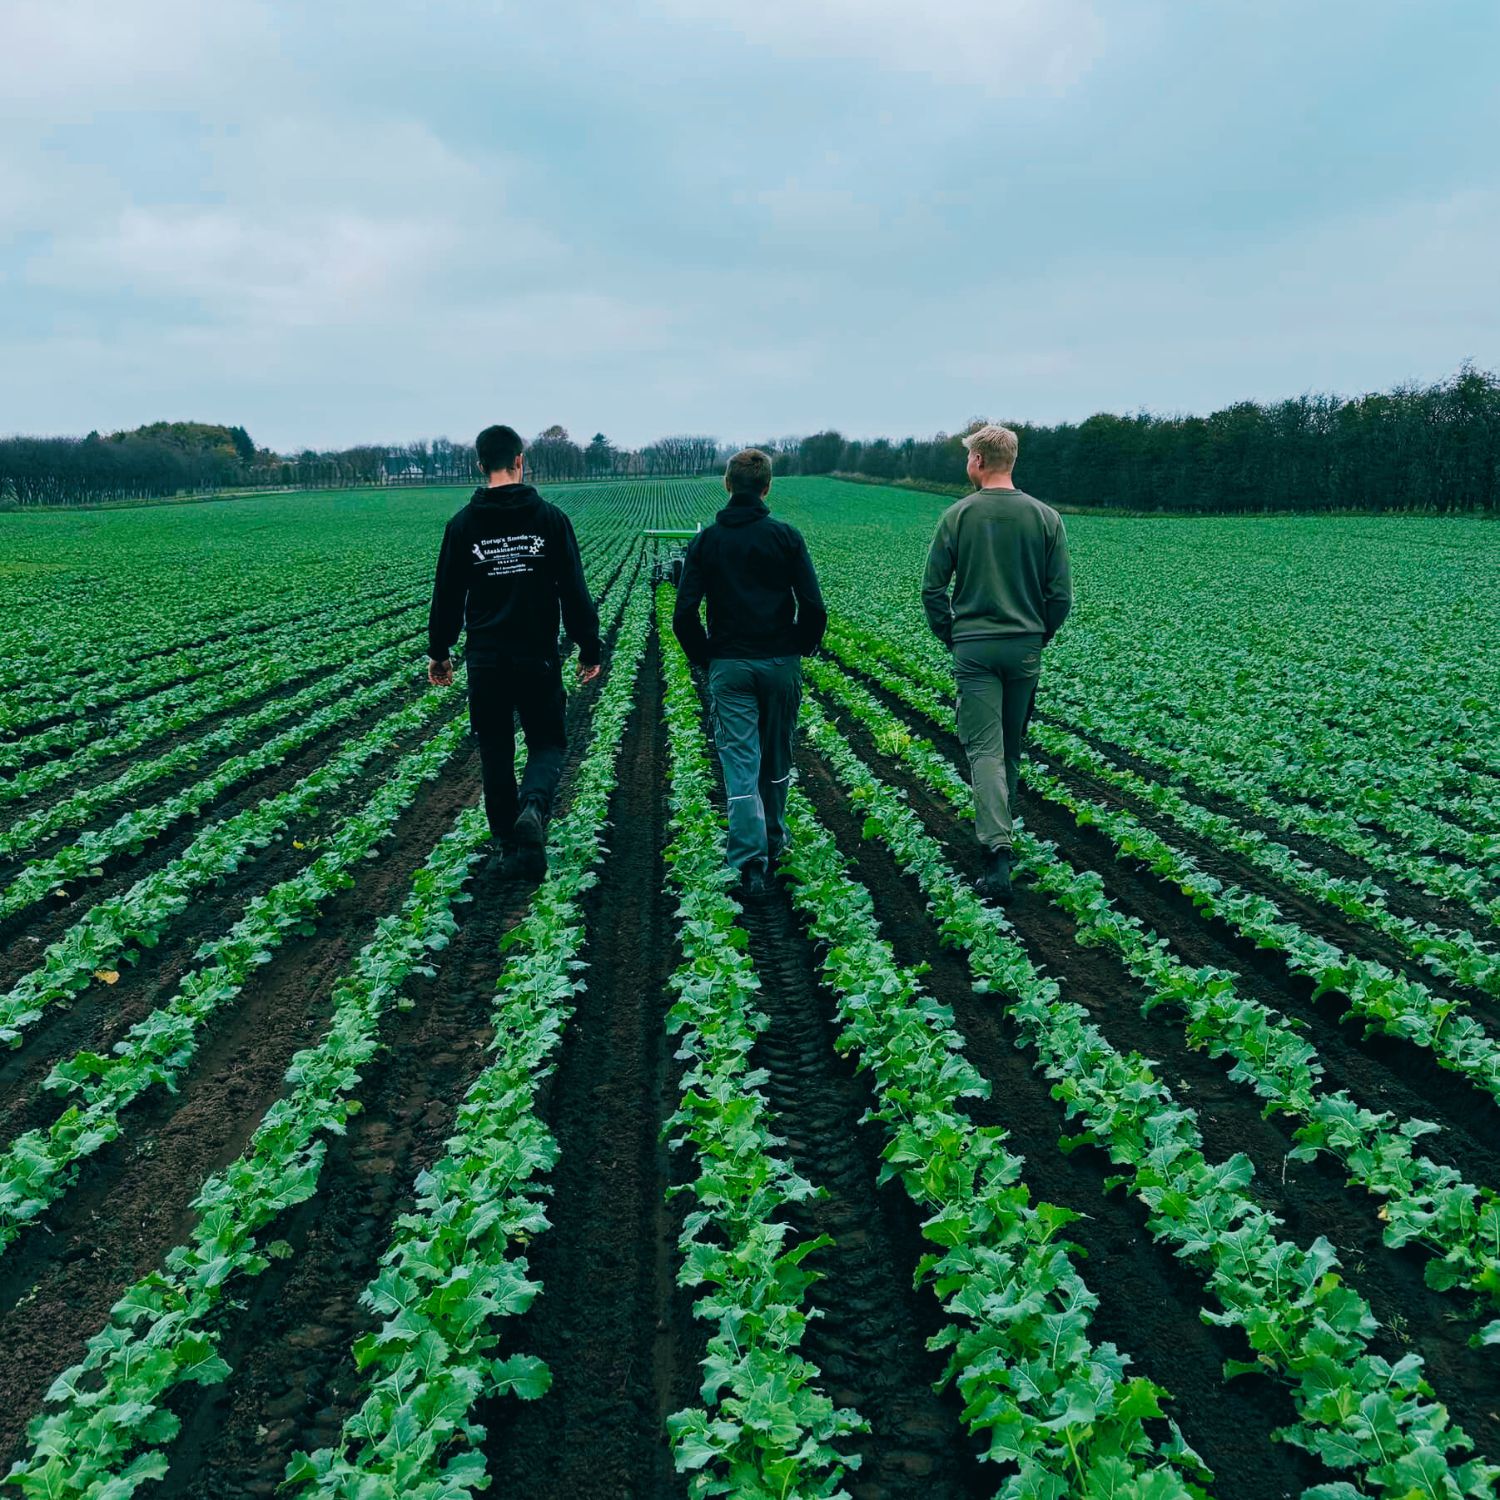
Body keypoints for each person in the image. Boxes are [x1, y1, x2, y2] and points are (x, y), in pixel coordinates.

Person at [428, 424, 602, 880]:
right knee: (548, 740)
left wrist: (440, 651)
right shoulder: (550, 519)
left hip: (486, 659)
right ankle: (534, 809)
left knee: (495, 749)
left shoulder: (462, 525)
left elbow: (446, 594)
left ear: (480, 465)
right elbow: (574, 590)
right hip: (537, 656)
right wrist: (588, 645)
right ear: (520, 461)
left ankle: (510, 847)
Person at [921, 424, 1072, 901]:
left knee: (983, 749)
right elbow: (1060, 595)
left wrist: (952, 635)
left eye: (968, 458)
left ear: (980, 462)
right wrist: (1038, 634)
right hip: (1024, 646)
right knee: (1008, 745)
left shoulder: (958, 516)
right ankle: (1003, 828)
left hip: (975, 647)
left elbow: (932, 589)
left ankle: (997, 853)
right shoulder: (1046, 517)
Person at [673, 448, 828, 898]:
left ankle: (748, 861)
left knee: (740, 761)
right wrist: (798, 646)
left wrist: (706, 657)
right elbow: (813, 606)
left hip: (730, 664)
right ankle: (774, 840)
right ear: (767, 486)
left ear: (727, 485)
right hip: (780, 663)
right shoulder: (786, 537)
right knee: (777, 755)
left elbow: (684, 614)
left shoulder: (706, 542)